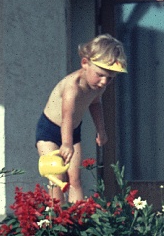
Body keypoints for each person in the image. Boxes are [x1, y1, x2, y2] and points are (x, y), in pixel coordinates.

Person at [36, 33, 127, 203]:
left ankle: (78, 219)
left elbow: (95, 104)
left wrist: (101, 130)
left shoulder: (98, 86)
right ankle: (58, 221)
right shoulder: (73, 87)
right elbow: (67, 117)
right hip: (49, 131)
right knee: (57, 177)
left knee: (75, 179)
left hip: (72, 132)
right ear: (85, 63)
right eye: (100, 74)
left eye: (110, 78)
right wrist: (66, 144)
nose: (104, 82)